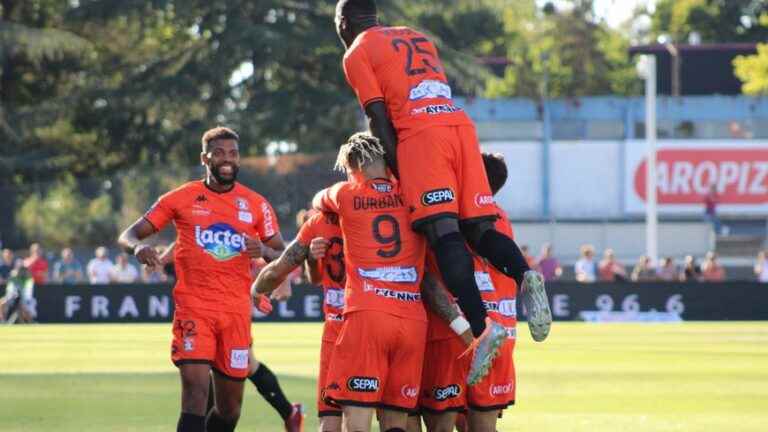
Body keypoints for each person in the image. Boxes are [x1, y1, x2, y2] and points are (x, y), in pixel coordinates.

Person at [333, 1, 550, 370]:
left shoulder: (356, 52)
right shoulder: (416, 37)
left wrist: (402, 170)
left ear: (343, 22)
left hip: (422, 138)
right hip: (461, 129)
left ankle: (483, 329)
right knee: (479, 227)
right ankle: (524, 272)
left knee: (443, 232)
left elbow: (377, 115)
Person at [263, 133, 442, 432]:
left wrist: (259, 289)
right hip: (413, 319)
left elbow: (318, 200)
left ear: (351, 164)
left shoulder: (345, 194)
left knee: (354, 419)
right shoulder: (412, 195)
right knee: (397, 420)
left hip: (366, 315)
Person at [118, 126, 288, 432]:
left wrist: (262, 248)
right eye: (219, 153)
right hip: (194, 308)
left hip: (236, 314)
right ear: (204, 158)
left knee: (229, 411)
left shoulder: (256, 204)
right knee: (195, 396)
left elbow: (283, 253)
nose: (227, 160)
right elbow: (128, 234)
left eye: (233, 154)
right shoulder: (181, 198)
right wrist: (139, 247)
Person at [416, 153, 519, 432]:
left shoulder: (448, 209)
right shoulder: (501, 218)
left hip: (453, 333)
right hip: (500, 329)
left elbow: (425, 272)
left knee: (440, 425)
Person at [159, 242, 303, 432]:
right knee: (216, 369)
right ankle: (290, 413)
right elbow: (184, 238)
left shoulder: (244, 215)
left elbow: (274, 243)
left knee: (244, 367)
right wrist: (161, 259)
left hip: (232, 303)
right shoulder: (198, 221)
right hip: (210, 303)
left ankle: (290, 413)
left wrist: (283, 279)